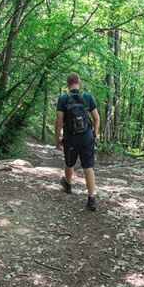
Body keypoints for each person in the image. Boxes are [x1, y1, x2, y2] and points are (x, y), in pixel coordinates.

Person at [54, 72, 100, 211]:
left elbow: (58, 122)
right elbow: (97, 118)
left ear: (68, 84)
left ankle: (68, 184)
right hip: (87, 137)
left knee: (69, 163)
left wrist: (57, 139)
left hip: (70, 137)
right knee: (88, 166)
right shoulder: (87, 97)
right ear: (79, 82)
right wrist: (95, 133)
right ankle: (91, 198)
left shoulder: (63, 98)